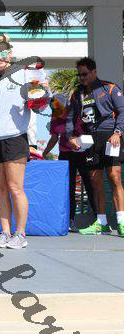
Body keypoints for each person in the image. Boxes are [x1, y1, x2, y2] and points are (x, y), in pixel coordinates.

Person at [0, 35, 37, 249]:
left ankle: (20, 234)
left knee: (15, 188)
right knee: (0, 189)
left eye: (3, 54)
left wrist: (40, 97)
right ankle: (4, 232)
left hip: (14, 137)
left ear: (10, 54)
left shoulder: (24, 74)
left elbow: (39, 100)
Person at [66, 57, 124, 236]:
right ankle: (101, 223)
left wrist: (118, 132)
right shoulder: (77, 94)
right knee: (95, 181)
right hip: (90, 139)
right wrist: (71, 137)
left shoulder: (110, 88)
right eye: (79, 75)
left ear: (94, 72)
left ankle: (122, 222)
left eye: (84, 74)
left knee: (114, 177)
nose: (82, 78)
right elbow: (70, 118)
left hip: (110, 136)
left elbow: (122, 111)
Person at [43, 93, 94, 231]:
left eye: (58, 106)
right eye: (54, 108)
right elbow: (54, 138)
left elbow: (88, 130)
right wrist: (45, 152)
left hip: (82, 152)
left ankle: (98, 218)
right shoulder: (55, 117)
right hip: (66, 154)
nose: (56, 110)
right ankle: (70, 219)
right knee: (68, 187)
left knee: (89, 184)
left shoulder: (76, 112)